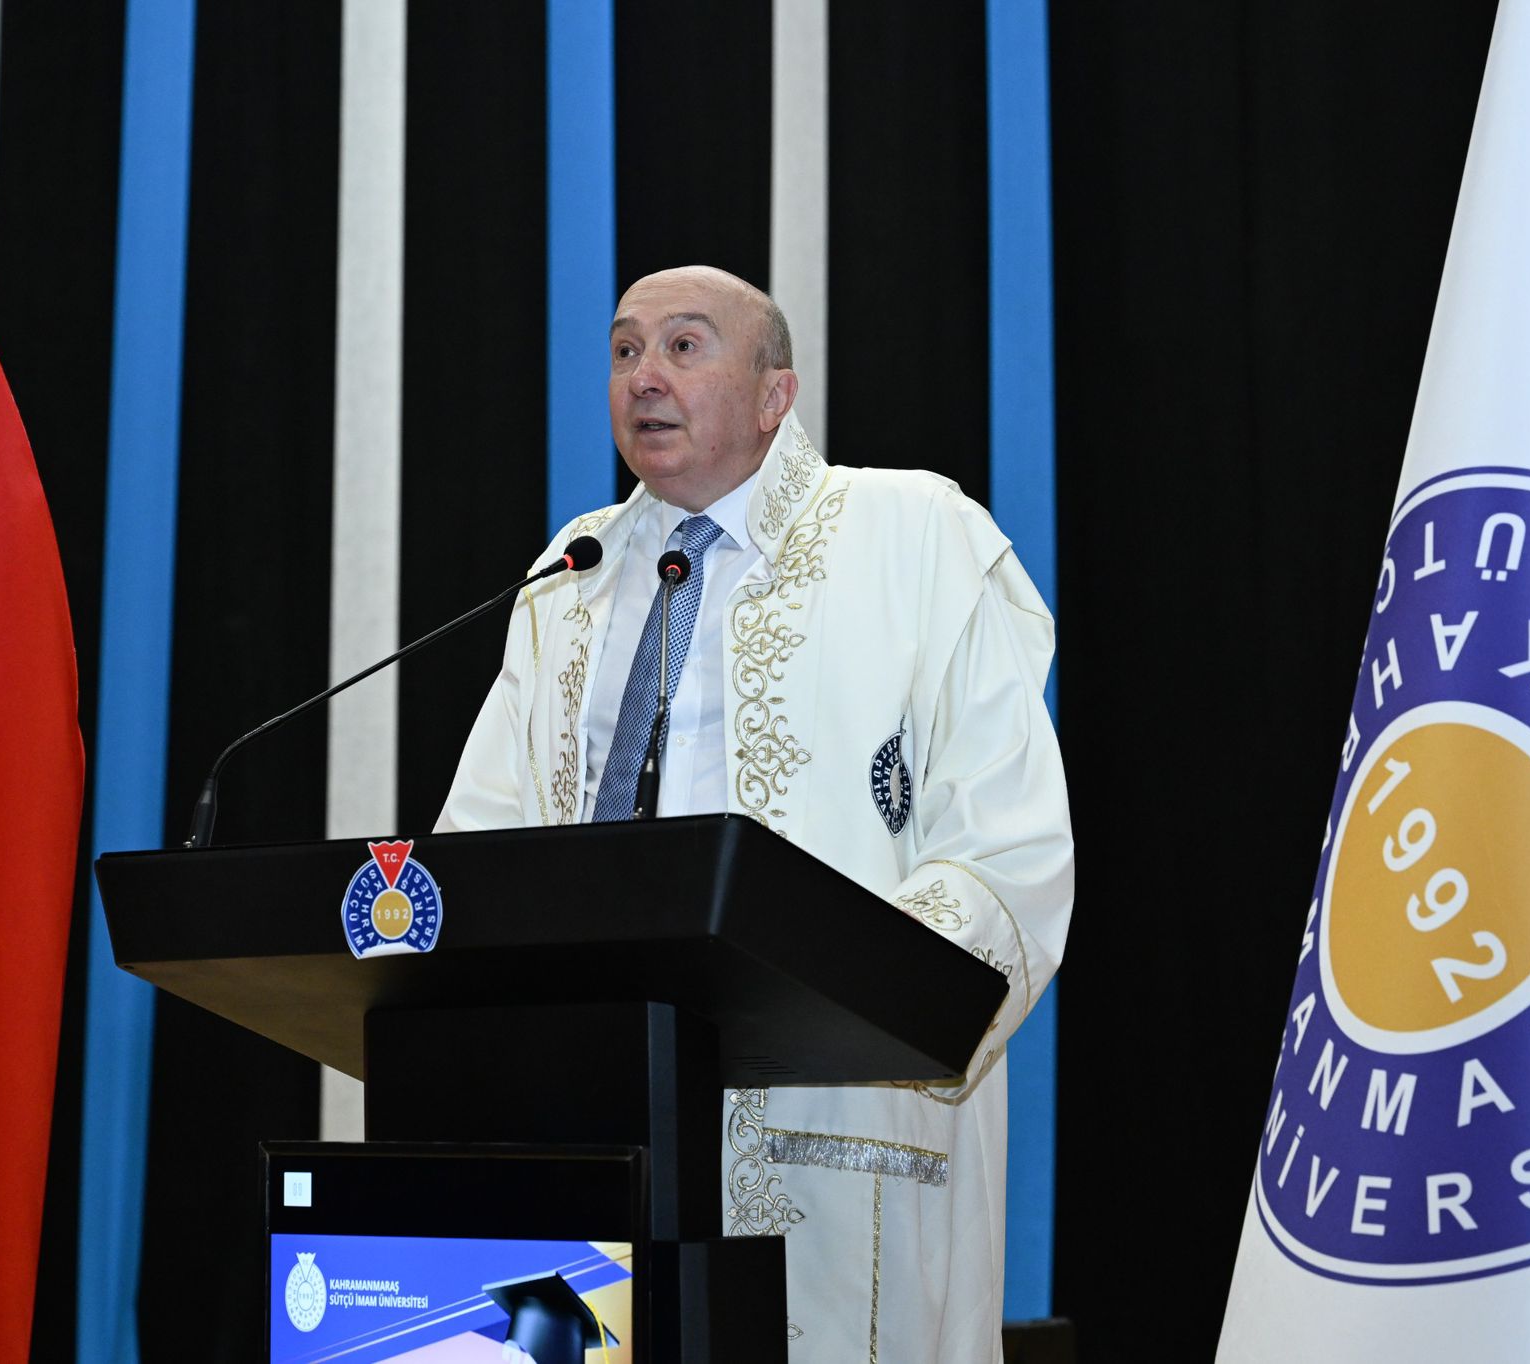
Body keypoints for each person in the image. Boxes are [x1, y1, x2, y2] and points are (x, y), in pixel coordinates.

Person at [438, 265, 1074, 1363]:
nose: (644, 376)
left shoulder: (916, 535)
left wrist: (833, 990)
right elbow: (482, 847)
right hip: (593, 1134)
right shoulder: (571, 573)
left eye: (684, 346)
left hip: (838, 1132)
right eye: (624, 349)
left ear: (776, 393)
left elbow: (1005, 849)